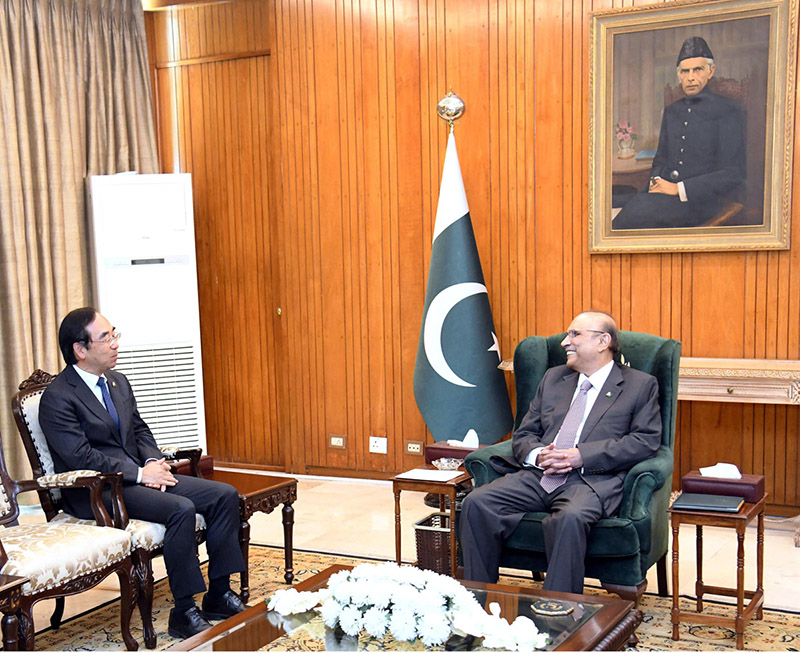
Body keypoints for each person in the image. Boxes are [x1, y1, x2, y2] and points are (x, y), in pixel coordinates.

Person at [39, 307, 247, 640]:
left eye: (114, 334)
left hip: (134, 478)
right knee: (181, 510)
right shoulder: (58, 397)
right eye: (106, 337)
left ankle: (219, 594)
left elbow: (140, 431)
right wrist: (139, 473)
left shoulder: (117, 382)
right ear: (80, 349)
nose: (115, 344)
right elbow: (81, 456)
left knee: (224, 495)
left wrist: (153, 464)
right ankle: (184, 611)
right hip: (95, 491)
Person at [458, 311, 661, 594]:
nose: (566, 342)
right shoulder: (554, 378)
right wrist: (538, 454)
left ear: (603, 341)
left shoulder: (639, 385)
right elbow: (524, 433)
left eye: (575, 334)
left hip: (589, 480)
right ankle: (478, 598)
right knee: (478, 503)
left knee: (569, 518)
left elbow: (645, 441)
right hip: (538, 475)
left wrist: (581, 456)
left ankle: (558, 611)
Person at [613, 36, 746, 229]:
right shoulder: (672, 110)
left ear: (711, 71)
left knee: (627, 220)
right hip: (663, 193)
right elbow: (661, 158)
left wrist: (678, 189)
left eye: (698, 69)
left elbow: (733, 174)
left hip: (700, 201)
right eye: (685, 71)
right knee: (618, 205)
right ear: (679, 75)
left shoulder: (729, 110)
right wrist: (656, 181)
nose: (690, 77)